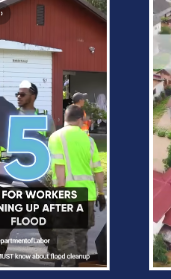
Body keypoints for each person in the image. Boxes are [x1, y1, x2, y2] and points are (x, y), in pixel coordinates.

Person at [47, 105, 106, 267]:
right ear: (80, 119)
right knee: (81, 234)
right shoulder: (89, 140)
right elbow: (98, 171)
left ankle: (69, 267)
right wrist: (101, 193)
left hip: (67, 192)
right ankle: (79, 266)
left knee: (65, 235)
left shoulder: (56, 137)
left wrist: (59, 190)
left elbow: (59, 165)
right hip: (87, 195)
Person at [0, 80, 56, 163]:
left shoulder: (45, 117)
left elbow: (53, 142)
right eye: (17, 94)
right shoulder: (11, 116)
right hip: (14, 165)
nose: (18, 97)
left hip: (37, 165)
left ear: (33, 96)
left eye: (22, 95)